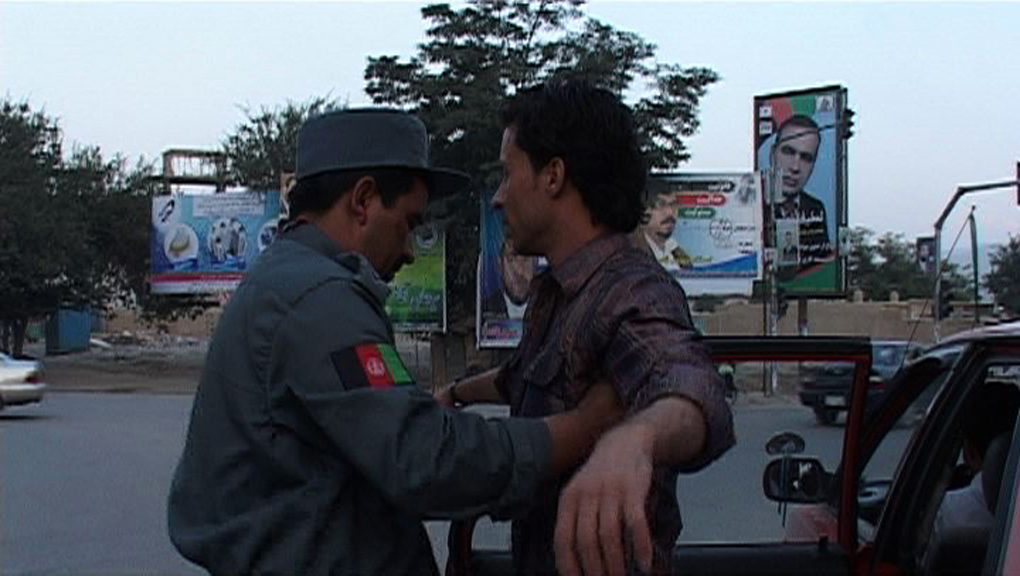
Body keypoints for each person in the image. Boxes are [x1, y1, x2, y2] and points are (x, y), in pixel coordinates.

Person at [167, 109, 626, 576]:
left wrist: (450, 399)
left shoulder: (288, 280)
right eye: (408, 223)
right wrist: (584, 427)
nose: (409, 250)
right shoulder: (320, 300)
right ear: (363, 200)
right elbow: (426, 460)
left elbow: (384, 436)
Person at [435, 80, 735, 575]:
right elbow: (523, 376)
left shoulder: (632, 290)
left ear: (553, 176)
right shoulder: (556, 291)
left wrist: (635, 439)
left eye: (508, 174)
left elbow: (691, 387)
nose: (498, 198)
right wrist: (455, 394)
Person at [770, 114, 833, 274]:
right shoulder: (756, 207)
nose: (795, 167)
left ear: (813, 165)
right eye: (788, 152)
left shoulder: (816, 209)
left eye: (806, 158)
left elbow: (820, 263)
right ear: (773, 154)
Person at [634, 191, 693, 273]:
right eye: (661, 205)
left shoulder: (675, 249)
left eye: (673, 205)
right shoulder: (632, 253)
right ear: (644, 212)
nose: (670, 212)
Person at [481, 237, 537, 320]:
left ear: (535, 263)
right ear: (500, 265)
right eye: (511, 259)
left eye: (525, 259)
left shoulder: (551, 308)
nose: (519, 271)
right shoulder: (483, 309)